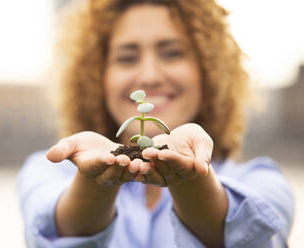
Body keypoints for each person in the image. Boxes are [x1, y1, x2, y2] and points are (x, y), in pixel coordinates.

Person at [17, 0, 294, 247]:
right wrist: (94, 183)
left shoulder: (263, 182)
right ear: (97, 75)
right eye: (127, 58)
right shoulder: (46, 171)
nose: (149, 76)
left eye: (172, 53)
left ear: (209, 71)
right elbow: (56, 233)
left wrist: (189, 178)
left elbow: (248, 236)